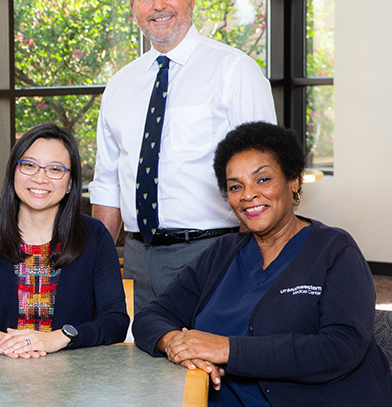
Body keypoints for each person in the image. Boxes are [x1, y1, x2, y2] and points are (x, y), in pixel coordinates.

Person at [133, 121, 392, 405]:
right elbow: (150, 317)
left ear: (294, 180)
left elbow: (340, 348)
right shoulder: (222, 253)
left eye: (263, 179)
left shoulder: (335, 251)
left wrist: (226, 349)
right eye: (235, 186)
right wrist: (179, 345)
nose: (248, 194)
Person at [89, 0, 276, 313]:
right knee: (145, 362)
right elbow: (108, 185)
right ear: (133, 7)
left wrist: (245, 262)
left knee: (210, 362)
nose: (159, 5)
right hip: (137, 260)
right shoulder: (120, 85)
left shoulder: (235, 71)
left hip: (213, 253)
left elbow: (265, 176)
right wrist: (94, 263)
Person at [0, 124, 129, 356]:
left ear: (70, 183)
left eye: (55, 169)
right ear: (13, 171)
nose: (40, 178)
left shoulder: (94, 236)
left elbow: (116, 321)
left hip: (75, 378)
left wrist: (59, 338)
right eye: (29, 165)